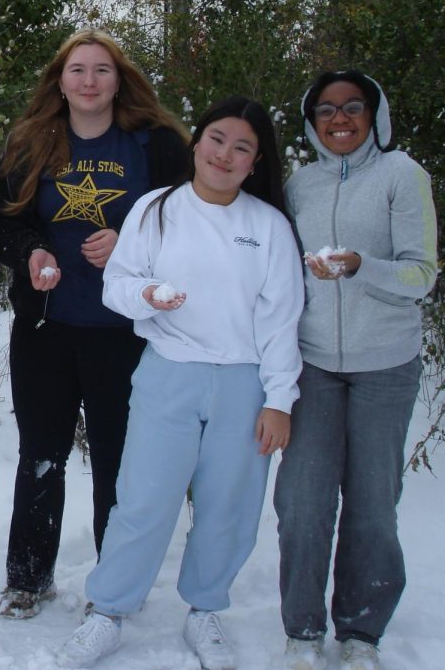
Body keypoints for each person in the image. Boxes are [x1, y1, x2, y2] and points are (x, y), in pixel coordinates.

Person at [59, 96, 304, 670]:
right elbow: (117, 285)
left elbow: (281, 321)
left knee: (229, 506)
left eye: (242, 147)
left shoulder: (268, 227)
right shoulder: (155, 209)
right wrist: (147, 294)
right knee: (143, 499)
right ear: (197, 143)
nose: (225, 154)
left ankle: (205, 610)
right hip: (168, 372)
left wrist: (279, 401)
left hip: (244, 384)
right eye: (217, 138)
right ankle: (108, 610)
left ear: (255, 162)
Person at [0, 30, 189, 619]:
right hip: (47, 328)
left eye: (102, 70)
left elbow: (195, 222)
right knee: (40, 454)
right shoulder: (31, 144)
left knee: (118, 460)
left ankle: (115, 583)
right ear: (60, 80)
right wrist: (31, 254)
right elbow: (0, 225)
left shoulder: (157, 144)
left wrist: (132, 243)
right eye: (78, 70)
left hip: (126, 332)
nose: (90, 81)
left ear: (119, 79)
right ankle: (27, 579)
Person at [274, 72, 437, 670]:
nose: (339, 119)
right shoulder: (300, 185)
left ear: (375, 114)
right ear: (310, 119)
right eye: (325, 109)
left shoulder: (402, 175)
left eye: (352, 108)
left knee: (372, 502)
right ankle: (301, 629)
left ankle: (361, 632)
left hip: (386, 364)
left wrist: (361, 265)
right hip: (314, 361)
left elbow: (421, 277)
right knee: (302, 498)